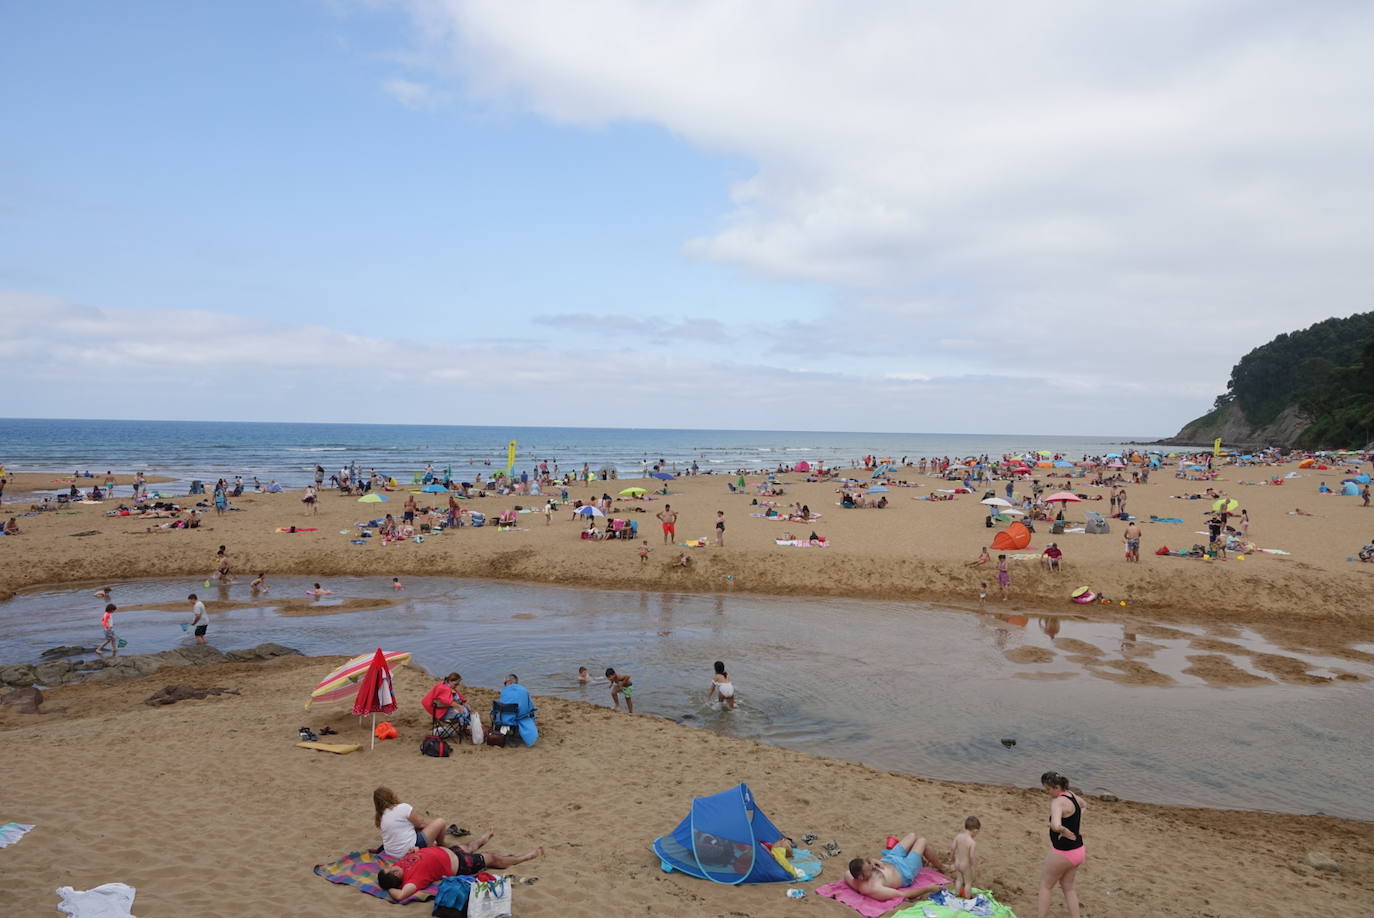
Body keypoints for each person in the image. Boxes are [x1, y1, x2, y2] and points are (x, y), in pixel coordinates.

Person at [377, 835, 544, 901]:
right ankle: (524, 857)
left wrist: (415, 850)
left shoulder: (398, 867)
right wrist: (390, 887)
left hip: (448, 851)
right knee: (491, 858)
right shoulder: (412, 881)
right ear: (396, 878)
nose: (392, 867)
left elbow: (409, 858)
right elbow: (400, 895)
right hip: (460, 864)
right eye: (392, 871)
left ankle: (482, 839)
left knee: (468, 846)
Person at [1037, 771, 1084, 918]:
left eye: (1048, 789)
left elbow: (1056, 825)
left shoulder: (1057, 802)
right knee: (1068, 887)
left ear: (1057, 787)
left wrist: (1063, 829)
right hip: (1079, 850)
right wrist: (1075, 823)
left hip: (1063, 852)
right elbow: (1084, 805)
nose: (1046, 791)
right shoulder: (1072, 795)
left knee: (1045, 885)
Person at [844, 834, 946, 902]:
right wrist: (928, 888)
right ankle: (943, 867)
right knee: (922, 841)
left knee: (912, 835)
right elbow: (903, 895)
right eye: (869, 869)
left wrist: (871, 860)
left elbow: (863, 864)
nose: (872, 867)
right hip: (905, 870)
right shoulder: (874, 888)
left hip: (890, 859)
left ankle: (921, 859)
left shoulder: (849, 874)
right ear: (861, 877)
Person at [948, 816, 980, 899]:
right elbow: (972, 856)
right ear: (975, 831)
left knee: (959, 880)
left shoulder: (958, 836)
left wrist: (951, 860)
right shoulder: (972, 842)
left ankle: (956, 895)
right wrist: (974, 866)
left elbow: (952, 848)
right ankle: (967, 898)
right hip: (965, 865)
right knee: (968, 883)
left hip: (958, 863)